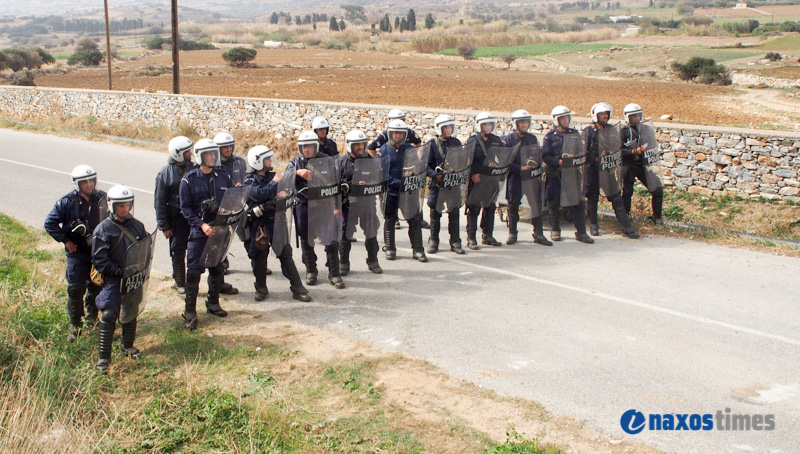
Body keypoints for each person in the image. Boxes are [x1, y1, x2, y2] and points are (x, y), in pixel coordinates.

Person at [44, 165, 107, 342]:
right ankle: (75, 325)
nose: (89, 185)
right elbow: (49, 223)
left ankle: (92, 317)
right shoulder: (66, 202)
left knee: (96, 285)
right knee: (75, 288)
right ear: (77, 184)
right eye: (85, 182)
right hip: (77, 253)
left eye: (91, 180)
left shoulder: (102, 198)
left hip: (97, 251)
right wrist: (67, 241)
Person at [243, 146, 312, 302]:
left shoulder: (271, 176)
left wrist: (292, 178)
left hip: (276, 221)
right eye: (267, 159)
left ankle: (298, 288)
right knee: (259, 257)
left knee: (285, 254)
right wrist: (274, 186)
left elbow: (284, 183)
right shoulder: (249, 180)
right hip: (259, 224)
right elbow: (259, 194)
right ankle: (260, 288)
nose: (270, 161)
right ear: (258, 161)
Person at [91, 185, 149, 372]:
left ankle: (127, 345)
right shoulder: (103, 230)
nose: (125, 209)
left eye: (127, 205)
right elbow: (99, 260)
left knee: (131, 310)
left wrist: (139, 266)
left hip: (133, 277)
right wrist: (117, 271)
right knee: (108, 315)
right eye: (120, 206)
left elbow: (146, 247)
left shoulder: (137, 225)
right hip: (114, 278)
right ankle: (103, 359)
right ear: (112, 206)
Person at [179, 139, 233, 330]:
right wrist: (201, 225)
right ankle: (190, 312)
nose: (212, 157)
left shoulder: (223, 176)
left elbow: (232, 198)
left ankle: (213, 303)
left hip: (219, 231)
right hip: (200, 232)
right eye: (208, 154)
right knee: (194, 273)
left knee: (217, 269)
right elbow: (185, 209)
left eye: (214, 153)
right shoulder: (189, 179)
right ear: (199, 156)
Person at [291, 130, 346, 288]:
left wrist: (337, 207)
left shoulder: (327, 161)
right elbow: (282, 178)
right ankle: (311, 270)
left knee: (331, 240)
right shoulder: (296, 162)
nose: (306, 149)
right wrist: (297, 172)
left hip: (324, 206)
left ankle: (334, 273)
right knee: (306, 240)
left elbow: (336, 184)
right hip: (304, 206)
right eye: (303, 147)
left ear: (315, 146)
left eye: (309, 146)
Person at [582, 102, 639, 239]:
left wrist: (612, 152)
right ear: (596, 115)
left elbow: (617, 146)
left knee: (616, 198)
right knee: (592, 197)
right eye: (602, 114)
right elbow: (584, 151)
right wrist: (596, 159)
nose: (605, 116)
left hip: (607, 169)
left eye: (607, 113)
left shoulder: (612, 130)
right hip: (593, 170)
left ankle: (626, 227)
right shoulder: (589, 131)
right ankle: (594, 225)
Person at [541, 106, 594, 244]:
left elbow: (583, 151)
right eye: (562, 118)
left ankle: (581, 232)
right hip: (555, 174)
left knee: (577, 202)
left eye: (567, 117)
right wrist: (558, 161)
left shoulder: (574, 134)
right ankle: (555, 229)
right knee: (554, 202)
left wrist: (576, 156)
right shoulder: (549, 136)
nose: (565, 120)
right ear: (556, 120)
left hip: (571, 174)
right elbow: (545, 156)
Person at [377, 119, 428, 262]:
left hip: (408, 191)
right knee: (390, 220)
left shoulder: (410, 149)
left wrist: (414, 175)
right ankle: (390, 248)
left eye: (401, 134)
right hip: (392, 191)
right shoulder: (384, 150)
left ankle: (418, 249)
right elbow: (381, 174)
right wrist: (399, 181)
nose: (398, 136)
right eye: (395, 133)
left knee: (415, 219)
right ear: (390, 134)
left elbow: (418, 166)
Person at [503, 109, 552, 246]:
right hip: (516, 177)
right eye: (521, 122)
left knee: (535, 204)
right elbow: (506, 161)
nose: (524, 124)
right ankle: (512, 233)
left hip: (531, 178)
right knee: (513, 205)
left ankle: (539, 234)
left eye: (526, 122)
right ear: (516, 123)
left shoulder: (532, 138)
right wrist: (519, 168)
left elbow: (536, 155)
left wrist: (535, 164)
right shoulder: (509, 140)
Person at [337, 129, 384, 273]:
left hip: (367, 203)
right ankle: (343, 262)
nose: (361, 147)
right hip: (348, 203)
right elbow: (335, 184)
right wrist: (349, 185)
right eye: (357, 145)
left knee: (371, 230)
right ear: (350, 145)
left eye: (362, 144)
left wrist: (369, 183)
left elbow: (380, 179)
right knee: (345, 232)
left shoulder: (372, 161)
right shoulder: (341, 162)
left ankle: (373, 261)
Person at [154, 136, 195, 295]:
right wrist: (164, 226)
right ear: (179, 153)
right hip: (177, 220)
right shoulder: (165, 174)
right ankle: (179, 282)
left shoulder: (193, 169)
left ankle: (192, 281)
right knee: (178, 251)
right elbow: (159, 202)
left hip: (191, 217)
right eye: (187, 152)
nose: (190, 154)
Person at [212, 131, 248, 295]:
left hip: (238, 203)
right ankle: (223, 264)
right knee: (222, 237)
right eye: (224, 147)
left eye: (230, 146)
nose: (228, 149)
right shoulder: (214, 164)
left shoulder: (240, 162)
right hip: (222, 206)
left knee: (246, 233)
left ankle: (257, 261)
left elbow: (247, 179)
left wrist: (242, 186)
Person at [425, 114, 466, 254]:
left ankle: (455, 241)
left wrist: (459, 172)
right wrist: (435, 175)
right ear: (439, 128)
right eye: (445, 127)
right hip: (437, 185)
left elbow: (462, 161)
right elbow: (425, 166)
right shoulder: (431, 144)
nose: (449, 129)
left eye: (450, 126)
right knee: (435, 215)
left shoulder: (456, 143)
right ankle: (433, 241)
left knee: (454, 213)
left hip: (453, 185)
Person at [465, 112, 505, 250]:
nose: (488, 127)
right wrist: (472, 175)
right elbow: (466, 162)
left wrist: (498, 166)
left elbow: (503, 156)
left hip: (491, 179)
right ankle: (471, 238)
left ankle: (487, 235)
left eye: (490, 124)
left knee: (490, 207)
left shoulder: (496, 140)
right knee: (474, 208)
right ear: (479, 125)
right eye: (485, 124)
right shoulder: (472, 142)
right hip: (477, 180)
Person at [620, 103, 664, 225]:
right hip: (628, 166)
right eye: (634, 116)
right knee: (627, 191)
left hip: (642, 165)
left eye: (638, 115)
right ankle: (625, 218)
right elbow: (618, 151)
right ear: (627, 117)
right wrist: (634, 151)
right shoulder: (623, 132)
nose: (637, 118)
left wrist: (650, 151)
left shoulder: (646, 129)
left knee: (657, 189)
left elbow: (651, 144)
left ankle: (657, 217)